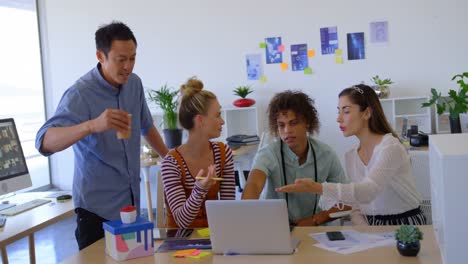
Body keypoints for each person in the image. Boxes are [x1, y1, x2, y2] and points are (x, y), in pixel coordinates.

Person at [35, 21, 168, 250]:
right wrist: (91, 126)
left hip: (130, 205)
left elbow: (146, 126)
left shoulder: (134, 84)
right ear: (100, 55)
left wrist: (171, 158)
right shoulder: (80, 93)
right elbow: (44, 141)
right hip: (96, 211)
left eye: (133, 58)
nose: (128, 66)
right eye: (121, 59)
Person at [277, 84, 426, 225]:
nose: (338, 118)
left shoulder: (390, 147)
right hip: (371, 225)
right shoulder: (351, 156)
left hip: (406, 225)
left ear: (367, 113)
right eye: (339, 111)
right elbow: (356, 205)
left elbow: (368, 191)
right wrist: (365, 233)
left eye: (346, 111)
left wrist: (316, 187)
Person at [242, 90, 349, 226]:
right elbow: (254, 184)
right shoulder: (268, 154)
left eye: (293, 123)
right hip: (275, 228)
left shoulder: (326, 154)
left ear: (307, 122)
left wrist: (315, 220)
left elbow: (347, 199)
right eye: (281, 125)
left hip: (313, 229)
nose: (287, 130)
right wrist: (246, 211)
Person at [161, 77, 235, 229]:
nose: (222, 121)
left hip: (215, 239)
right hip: (180, 244)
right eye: (217, 115)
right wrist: (199, 190)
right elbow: (182, 222)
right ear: (200, 120)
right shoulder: (171, 163)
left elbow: (228, 208)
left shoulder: (223, 152)